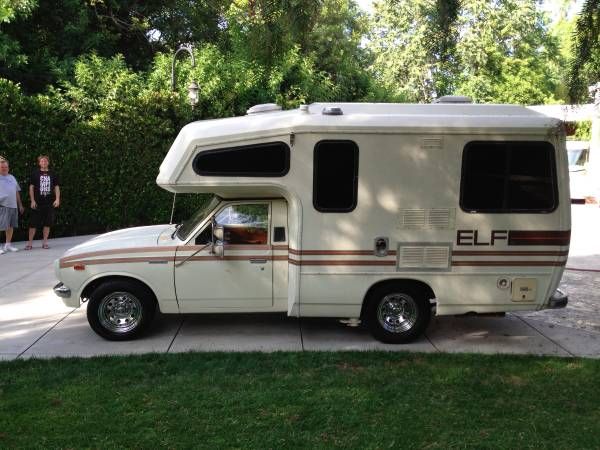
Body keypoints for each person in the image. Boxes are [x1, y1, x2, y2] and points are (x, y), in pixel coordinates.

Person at [26, 155, 60, 250]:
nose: (44, 163)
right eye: (42, 161)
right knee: (33, 224)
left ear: (48, 162)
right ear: (39, 163)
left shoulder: (53, 173)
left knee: (47, 224)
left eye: (45, 161)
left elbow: (56, 187)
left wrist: (57, 199)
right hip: (37, 203)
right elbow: (31, 187)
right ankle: (29, 244)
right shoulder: (35, 173)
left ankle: (45, 243)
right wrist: (32, 200)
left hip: (49, 203)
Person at [0, 157, 25, 254]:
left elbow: (16, 191)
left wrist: (20, 205)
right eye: (2, 167)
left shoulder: (12, 177)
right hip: (2, 205)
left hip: (13, 206)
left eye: (6, 167)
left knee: (10, 226)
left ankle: (8, 245)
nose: (4, 168)